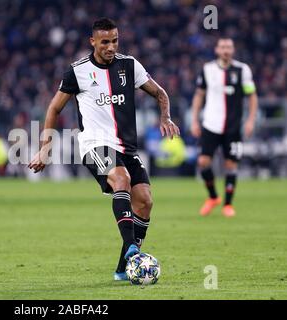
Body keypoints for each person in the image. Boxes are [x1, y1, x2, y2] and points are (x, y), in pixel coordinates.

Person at [28, 18, 180, 281]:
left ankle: (123, 268)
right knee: (122, 179)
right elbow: (53, 108)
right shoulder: (77, 72)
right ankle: (133, 250)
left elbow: (160, 93)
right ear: (93, 42)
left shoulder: (130, 65)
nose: (111, 47)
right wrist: (45, 149)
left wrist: (165, 117)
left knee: (144, 202)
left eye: (115, 40)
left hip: (126, 147)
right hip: (94, 144)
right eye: (105, 42)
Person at [190, 38, 258, 217]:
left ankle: (228, 204)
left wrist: (250, 121)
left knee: (231, 164)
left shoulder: (242, 70)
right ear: (216, 50)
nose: (226, 50)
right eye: (222, 47)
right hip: (210, 124)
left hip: (233, 126)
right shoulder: (207, 69)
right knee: (203, 162)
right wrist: (194, 120)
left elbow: (252, 96)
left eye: (229, 47)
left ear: (233, 50)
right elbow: (199, 95)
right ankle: (213, 197)